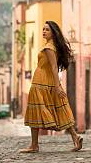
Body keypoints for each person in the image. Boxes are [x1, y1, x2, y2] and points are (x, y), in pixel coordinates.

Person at [20, 20, 83, 153]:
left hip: (40, 82)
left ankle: (34, 145)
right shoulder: (54, 46)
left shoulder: (49, 47)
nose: (44, 31)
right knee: (61, 109)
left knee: (35, 111)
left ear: (53, 33)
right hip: (49, 82)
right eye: (43, 29)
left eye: (47, 30)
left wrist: (57, 86)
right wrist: (57, 85)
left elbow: (54, 67)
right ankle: (75, 137)